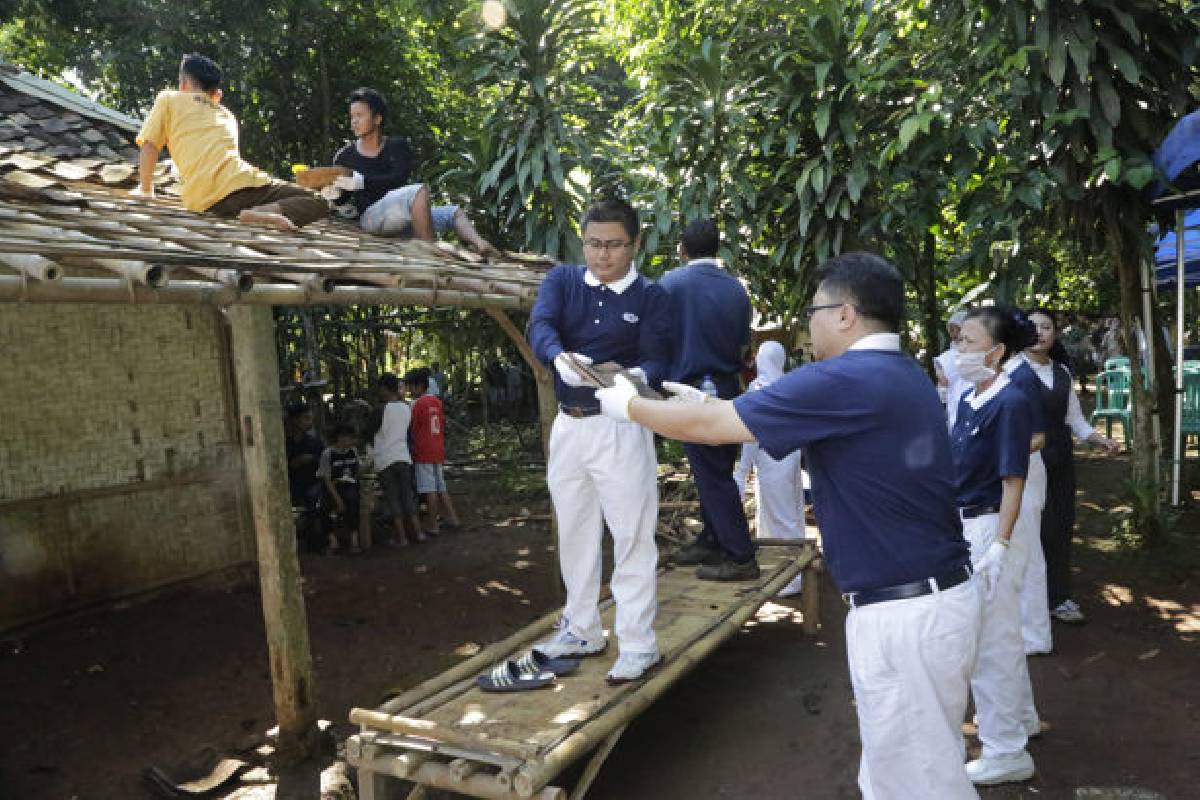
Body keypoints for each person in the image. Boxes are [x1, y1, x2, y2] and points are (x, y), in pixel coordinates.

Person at [595, 252, 982, 798]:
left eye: (814, 310)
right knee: (901, 773)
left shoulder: (847, 377)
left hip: (905, 614)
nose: (809, 324)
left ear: (846, 314)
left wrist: (630, 406)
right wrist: (708, 402)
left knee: (921, 782)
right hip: (928, 599)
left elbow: (711, 427)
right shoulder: (900, 371)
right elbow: (731, 414)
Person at [527, 197, 673, 684]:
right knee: (575, 531)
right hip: (569, 425)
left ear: (634, 245)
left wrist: (632, 377)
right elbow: (540, 324)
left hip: (621, 426)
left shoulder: (651, 297)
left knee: (631, 535)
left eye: (613, 245)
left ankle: (638, 643)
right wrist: (558, 357)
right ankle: (582, 628)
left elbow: (659, 361)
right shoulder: (564, 281)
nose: (602, 255)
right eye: (593, 243)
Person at [950, 306, 1040, 786]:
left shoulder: (1010, 401)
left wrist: (1000, 544)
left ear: (997, 351)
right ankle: (1018, 720)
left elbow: (1012, 481)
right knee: (999, 634)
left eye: (968, 341)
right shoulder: (972, 395)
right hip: (971, 524)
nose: (959, 348)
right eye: (959, 339)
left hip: (990, 526)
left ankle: (1006, 751)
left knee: (990, 644)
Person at [659, 218, 756, 580]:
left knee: (712, 476)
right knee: (716, 472)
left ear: (682, 249)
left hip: (691, 391)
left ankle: (741, 556)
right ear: (718, 249)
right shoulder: (736, 290)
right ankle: (713, 538)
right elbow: (743, 345)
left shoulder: (671, 284)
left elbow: (658, 338)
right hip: (729, 391)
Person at [134, 54, 328, 232]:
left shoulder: (168, 98)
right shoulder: (226, 114)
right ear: (216, 93)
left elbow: (150, 145)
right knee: (318, 201)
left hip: (205, 201)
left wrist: (145, 189)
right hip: (242, 186)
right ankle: (264, 212)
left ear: (183, 84)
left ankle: (258, 213)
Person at [299, 87, 499, 256]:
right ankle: (429, 249)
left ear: (377, 119)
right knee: (419, 192)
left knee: (452, 212)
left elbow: (398, 178)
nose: (354, 121)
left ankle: (480, 243)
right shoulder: (345, 156)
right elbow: (342, 199)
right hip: (372, 219)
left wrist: (361, 181)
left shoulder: (398, 146)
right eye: (352, 117)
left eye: (360, 116)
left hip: (404, 216)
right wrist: (332, 192)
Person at [1020, 309, 1120, 629]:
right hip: (1024, 463)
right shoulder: (1010, 371)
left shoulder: (1062, 371)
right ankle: (1026, 603)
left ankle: (1059, 597)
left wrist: (1098, 439)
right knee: (1030, 530)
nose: (1040, 333)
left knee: (1061, 527)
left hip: (1060, 459)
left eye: (1046, 327)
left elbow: (1074, 419)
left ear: (1055, 334)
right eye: (1032, 327)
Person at [732, 340, 806, 597]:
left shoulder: (759, 389)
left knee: (778, 515)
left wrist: (742, 470)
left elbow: (750, 435)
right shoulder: (791, 387)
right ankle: (795, 572)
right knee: (790, 512)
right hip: (790, 457)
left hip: (771, 458)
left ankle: (786, 578)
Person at [405, 368, 461, 535]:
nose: (409, 390)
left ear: (419, 386)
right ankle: (453, 518)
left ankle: (433, 525)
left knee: (429, 488)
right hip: (437, 448)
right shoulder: (437, 402)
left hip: (423, 450)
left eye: (411, 387)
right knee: (441, 486)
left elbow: (411, 426)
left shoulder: (416, 404)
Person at [372, 373, 426, 547]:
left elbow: (368, 432)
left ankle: (401, 537)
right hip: (403, 456)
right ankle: (418, 533)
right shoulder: (406, 407)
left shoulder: (381, 409)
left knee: (393, 498)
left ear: (385, 389)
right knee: (407, 496)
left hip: (385, 459)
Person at [317, 424, 363, 555]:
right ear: (341, 438)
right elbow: (326, 479)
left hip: (350, 485)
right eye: (351, 438)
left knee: (353, 500)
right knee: (323, 506)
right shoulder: (328, 454)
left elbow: (358, 470)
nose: (353, 441)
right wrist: (338, 500)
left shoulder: (353, 451)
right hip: (334, 487)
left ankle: (354, 540)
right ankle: (332, 540)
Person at [285, 403, 325, 511]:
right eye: (306, 418)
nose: (310, 423)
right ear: (295, 420)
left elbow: (326, 461)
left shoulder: (315, 442)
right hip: (291, 486)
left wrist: (312, 459)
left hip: (313, 485)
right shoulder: (284, 443)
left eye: (311, 419)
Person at [934, 310, 968, 402]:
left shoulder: (944, 358)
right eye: (951, 329)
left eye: (958, 328)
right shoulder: (944, 358)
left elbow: (942, 393)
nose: (954, 333)